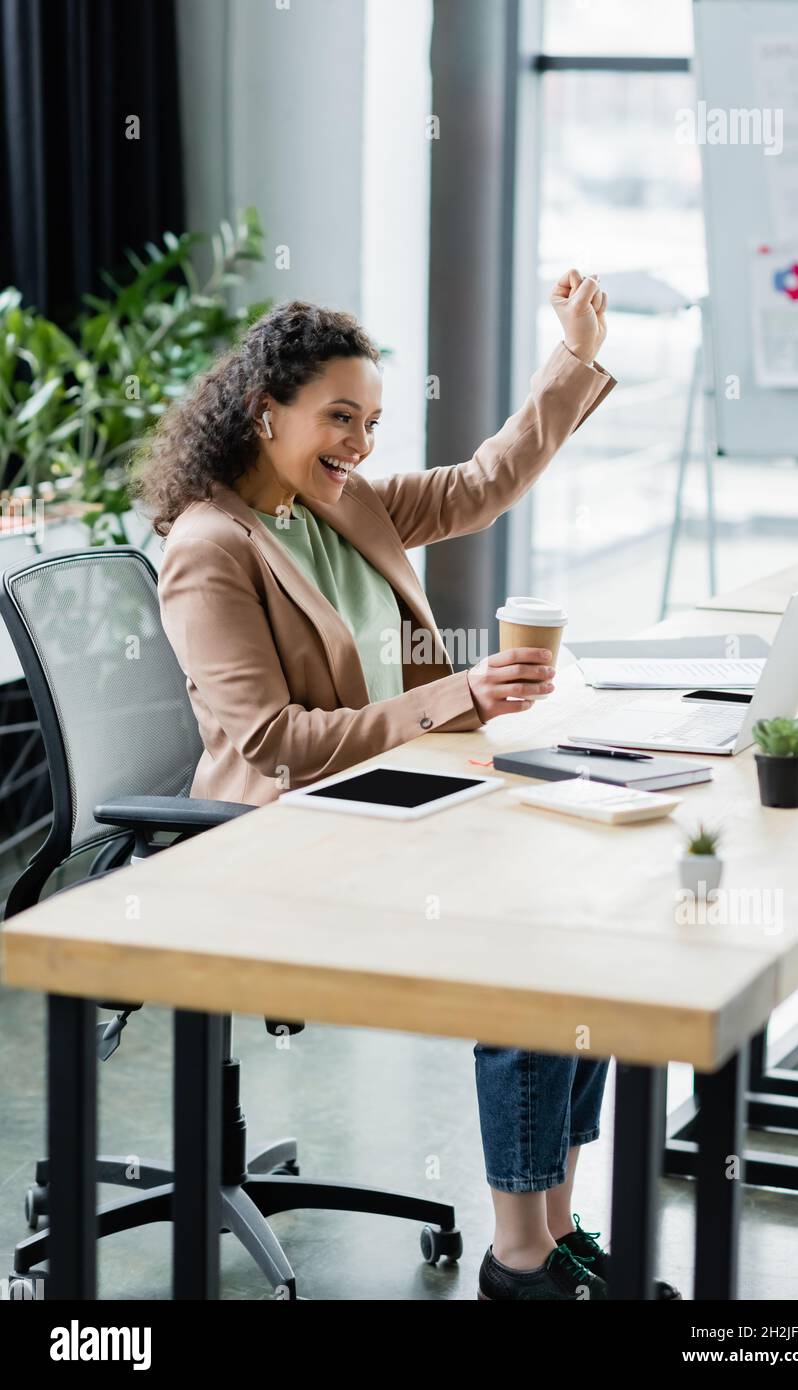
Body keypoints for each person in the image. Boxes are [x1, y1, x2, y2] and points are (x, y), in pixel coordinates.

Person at [133, 270, 676, 1299]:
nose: (362, 445)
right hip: (277, 842)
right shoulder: (211, 547)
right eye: (340, 418)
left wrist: (575, 354)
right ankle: (518, 1256)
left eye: (374, 421)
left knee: (586, 918)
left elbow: (481, 482)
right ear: (265, 411)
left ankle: (554, 1229)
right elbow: (272, 739)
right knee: (531, 942)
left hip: (385, 804)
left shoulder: (338, 503)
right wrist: (457, 694)